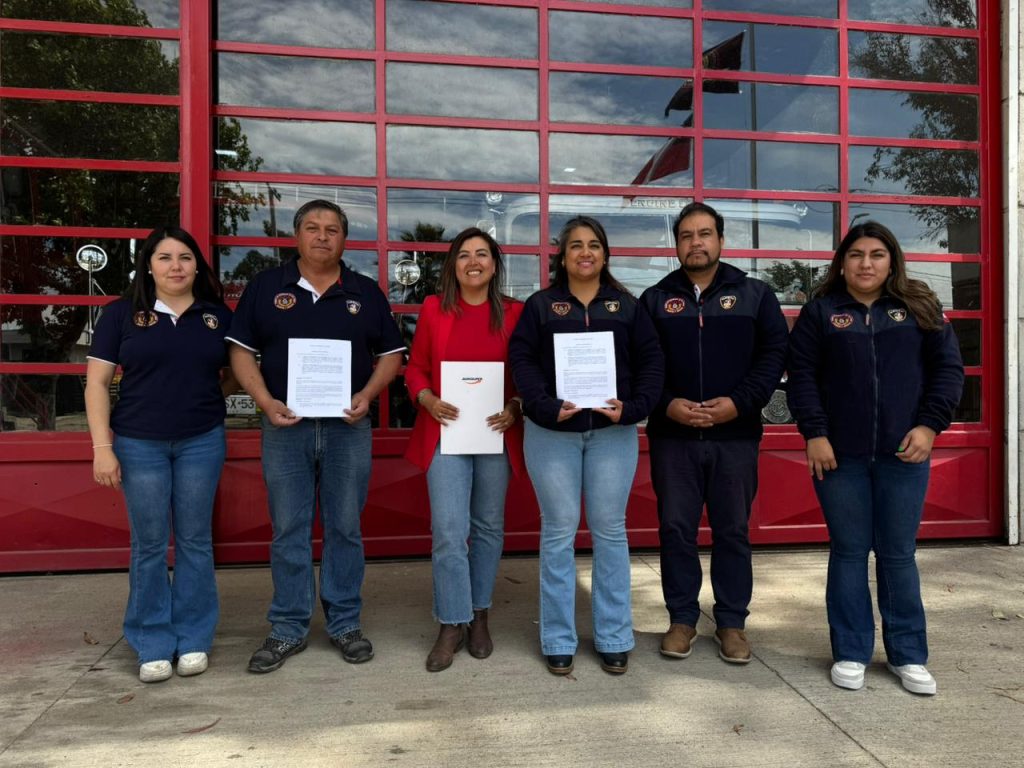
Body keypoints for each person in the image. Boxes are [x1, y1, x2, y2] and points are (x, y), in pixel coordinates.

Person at [227, 199, 405, 673]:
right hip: (286, 429)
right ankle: (288, 628)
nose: (322, 236)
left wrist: (367, 394)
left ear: (345, 239)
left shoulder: (364, 292)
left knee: (345, 528)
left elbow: (391, 355)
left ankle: (345, 623)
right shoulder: (266, 288)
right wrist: (266, 403)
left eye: (332, 229)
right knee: (289, 529)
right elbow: (241, 355)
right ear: (296, 235)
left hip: (348, 429)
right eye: (313, 227)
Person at [786, 221, 964, 695]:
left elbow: (948, 372)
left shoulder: (921, 308)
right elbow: (801, 376)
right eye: (857, 254)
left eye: (877, 254)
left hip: (903, 456)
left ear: (892, 261)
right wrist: (815, 434)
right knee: (848, 552)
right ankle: (850, 649)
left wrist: (929, 426)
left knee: (897, 554)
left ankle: (908, 654)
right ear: (842, 263)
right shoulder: (821, 313)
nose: (867, 263)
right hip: (838, 458)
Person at [509, 216, 664, 676]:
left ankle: (614, 635)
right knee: (558, 532)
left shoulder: (627, 306)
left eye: (594, 244)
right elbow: (522, 361)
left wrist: (633, 408)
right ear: (562, 254)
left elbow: (652, 362)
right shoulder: (540, 306)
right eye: (575, 245)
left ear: (605, 253)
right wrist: (543, 405)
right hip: (552, 435)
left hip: (612, 434)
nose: (585, 252)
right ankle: (558, 637)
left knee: (610, 532)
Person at [640, 202, 788, 665]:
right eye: (686, 235)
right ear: (677, 244)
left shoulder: (755, 296)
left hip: (735, 437)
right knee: (676, 531)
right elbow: (642, 364)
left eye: (705, 234)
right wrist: (668, 404)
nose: (696, 243)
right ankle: (682, 619)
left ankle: (731, 624)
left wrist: (737, 404)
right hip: (674, 439)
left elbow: (773, 357)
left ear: (722, 240)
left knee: (732, 532)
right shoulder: (654, 300)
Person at [85, 227, 233, 683]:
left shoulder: (216, 317)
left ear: (196, 266)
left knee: (194, 541)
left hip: (201, 441)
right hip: (138, 443)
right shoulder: (121, 315)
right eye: (165, 257)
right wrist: (102, 448)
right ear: (148, 264)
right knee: (149, 545)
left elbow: (232, 374)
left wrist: (208, 399)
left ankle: (192, 638)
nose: (175, 266)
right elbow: (95, 384)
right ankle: (151, 641)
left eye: (185, 257)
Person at [404, 227, 525, 672]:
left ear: (495, 263)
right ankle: (451, 621)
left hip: (496, 433)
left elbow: (528, 373)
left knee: (489, 527)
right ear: (453, 265)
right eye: (464, 255)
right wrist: (427, 399)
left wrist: (516, 404)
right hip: (446, 434)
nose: (473, 262)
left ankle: (479, 613)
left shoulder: (516, 313)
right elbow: (414, 369)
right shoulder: (435, 309)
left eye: (482, 254)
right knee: (450, 531)